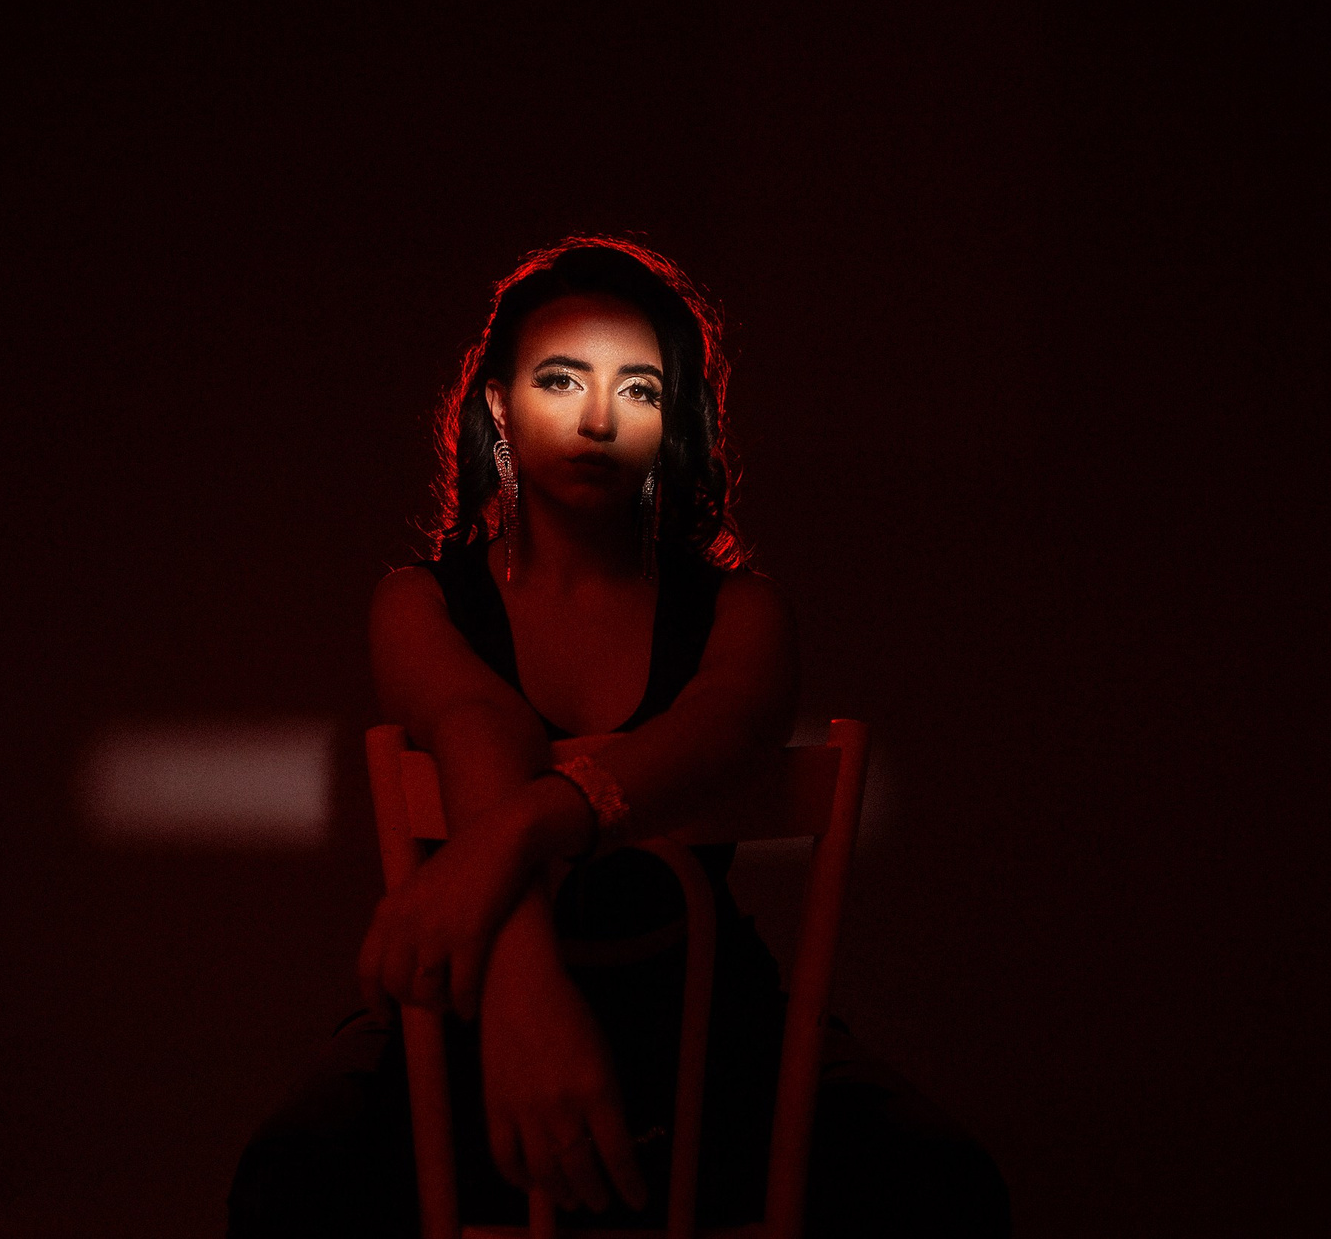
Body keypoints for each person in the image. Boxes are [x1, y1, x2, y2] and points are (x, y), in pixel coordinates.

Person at [227, 238, 1009, 1236]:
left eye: (638, 389)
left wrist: (512, 836)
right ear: (499, 404)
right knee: (293, 1179)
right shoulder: (419, 603)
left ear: (673, 420)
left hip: (706, 1024)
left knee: (942, 1183)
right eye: (561, 380)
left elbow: (724, 730)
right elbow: (477, 721)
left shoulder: (742, 611)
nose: (598, 418)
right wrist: (524, 994)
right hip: (473, 1017)